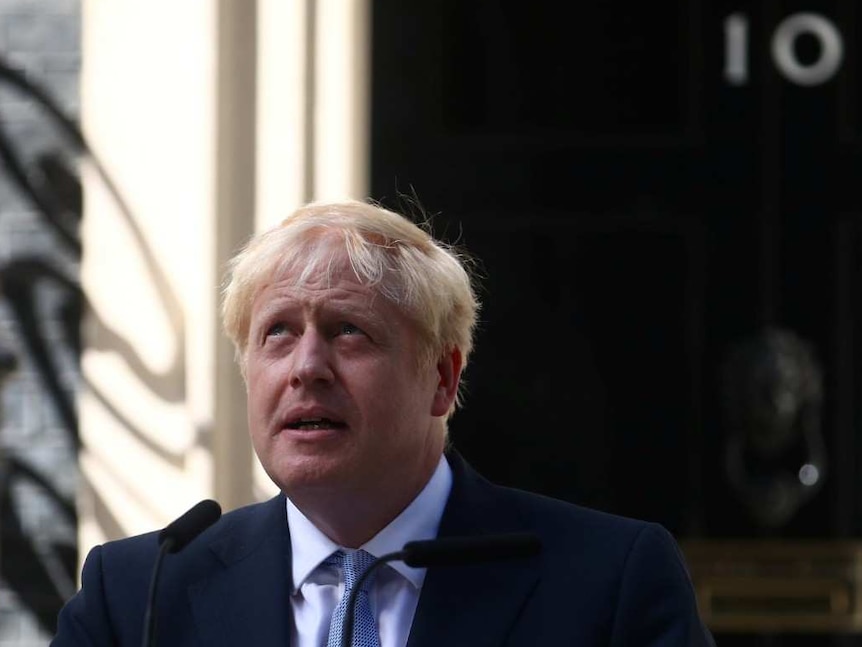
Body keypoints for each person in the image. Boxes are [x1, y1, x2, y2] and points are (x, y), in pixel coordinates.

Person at [53, 200, 714, 645]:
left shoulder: (611, 583)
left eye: (349, 332)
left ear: (443, 379)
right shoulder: (141, 594)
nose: (306, 366)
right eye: (278, 333)